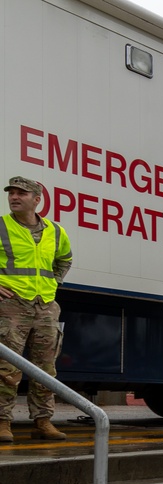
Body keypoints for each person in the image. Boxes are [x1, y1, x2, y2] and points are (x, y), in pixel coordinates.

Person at [0, 176, 73, 442]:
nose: (14, 197)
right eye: (11, 193)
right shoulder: (1, 226)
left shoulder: (55, 231)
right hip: (11, 305)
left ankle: (43, 422)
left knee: (46, 368)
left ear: (37, 199)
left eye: (21, 193)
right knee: (6, 367)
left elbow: (64, 258)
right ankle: (2, 422)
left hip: (46, 306)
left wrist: (55, 282)